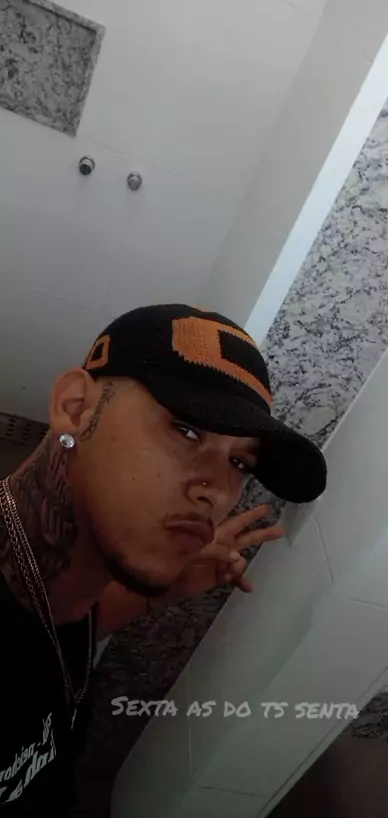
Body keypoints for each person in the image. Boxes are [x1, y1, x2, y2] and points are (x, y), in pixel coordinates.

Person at [0, 304, 327, 816]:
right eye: (187, 431)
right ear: (75, 407)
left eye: (239, 462)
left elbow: (58, 632)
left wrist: (162, 592)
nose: (218, 491)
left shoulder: (56, 585)